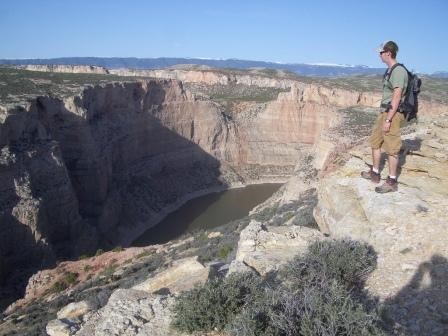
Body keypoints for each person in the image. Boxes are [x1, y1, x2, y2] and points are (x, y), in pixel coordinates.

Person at [361, 40, 409, 193]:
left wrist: (388, 119)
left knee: (392, 148)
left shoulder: (399, 71)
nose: (379, 55)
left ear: (388, 53)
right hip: (384, 112)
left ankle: (392, 181)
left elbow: (396, 96)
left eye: (381, 52)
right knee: (375, 142)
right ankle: (375, 173)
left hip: (392, 114)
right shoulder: (390, 70)